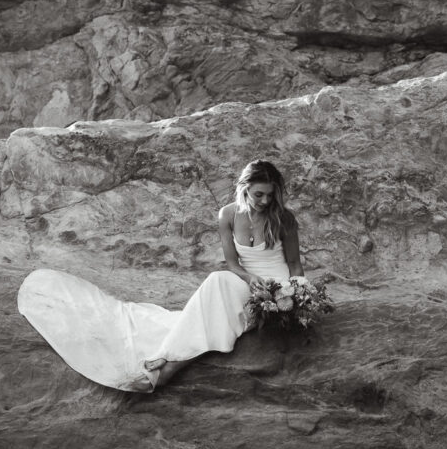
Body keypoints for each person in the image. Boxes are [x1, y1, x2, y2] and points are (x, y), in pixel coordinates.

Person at [16, 159, 305, 392]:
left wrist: (298, 296)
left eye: (270, 195)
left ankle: (164, 370)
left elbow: (294, 264)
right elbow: (232, 263)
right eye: (259, 194)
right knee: (218, 281)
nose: (265, 201)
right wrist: (249, 279)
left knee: (219, 302)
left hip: (277, 290)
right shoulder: (227, 215)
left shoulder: (283, 218)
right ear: (244, 189)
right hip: (245, 282)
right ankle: (166, 352)